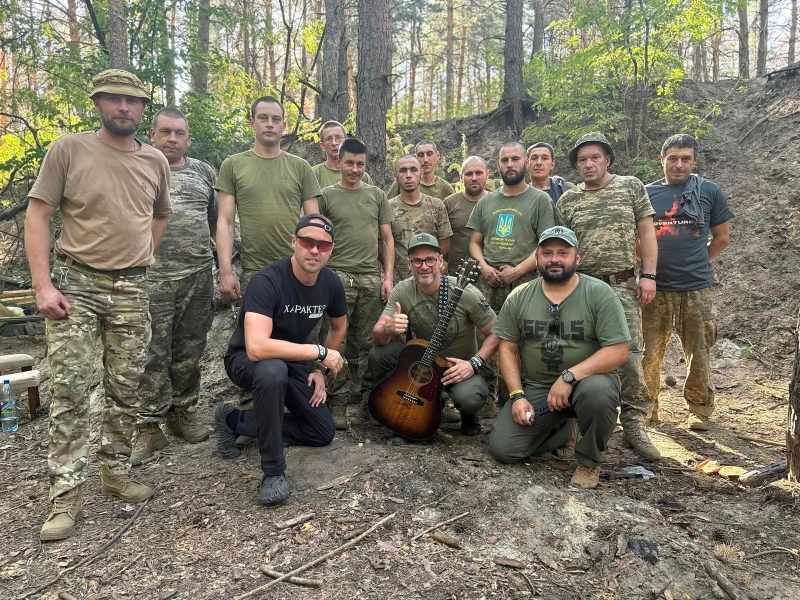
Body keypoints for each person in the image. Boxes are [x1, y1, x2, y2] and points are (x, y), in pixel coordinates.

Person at [25, 69, 171, 541]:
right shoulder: (69, 149)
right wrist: (43, 286)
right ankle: (64, 499)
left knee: (127, 388)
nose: (123, 108)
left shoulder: (154, 161)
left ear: (143, 109)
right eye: (114, 100)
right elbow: (39, 214)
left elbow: (161, 214)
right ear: (98, 104)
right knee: (70, 391)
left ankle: (116, 472)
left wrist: (146, 253)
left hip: (132, 289)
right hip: (79, 286)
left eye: (132, 101)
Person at [215, 214, 347, 505]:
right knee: (272, 370)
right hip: (245, 361)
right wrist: (319, 353)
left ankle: (234, 420)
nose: (314, 250)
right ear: (294, 243)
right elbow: (257, 348)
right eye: (307, 242)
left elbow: (338, 327)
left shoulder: (331, 283)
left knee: (321, 432)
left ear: (331, 250)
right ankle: (273, 471)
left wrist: (321, 371)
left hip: (293, 361)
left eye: (323, 246)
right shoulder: (267, 280)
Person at [488, 227, 630, 489]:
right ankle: (563, 430)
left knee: (598, 393)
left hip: (586, 384)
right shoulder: (519, 296)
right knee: (503, 450)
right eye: (547, 253)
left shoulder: (599, 294)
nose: (554, 259)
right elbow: (506, 348)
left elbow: (618, 351)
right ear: (537, 257)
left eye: (563, 253)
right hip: (538, 388)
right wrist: (517, 395)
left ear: (577, 258)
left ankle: (589, 461)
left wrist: (569, 377)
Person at [556, 132, 661, 461]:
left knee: (628, 353)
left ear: (607, 160)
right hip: (582, 287)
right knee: (582, 351)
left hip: (622, 285)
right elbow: (563, 250)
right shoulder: (567, 202)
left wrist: (649, 275)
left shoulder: (631, 186)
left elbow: (646, 233)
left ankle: (633, 423)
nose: (588, 164)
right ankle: (582, 419)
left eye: (594, 158)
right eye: (582, 160)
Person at [130, 107, 217, 465]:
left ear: (188, 139)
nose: (172, 139)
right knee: (152, 351)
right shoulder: (138, 168)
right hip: (152, 276)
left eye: (179, 133)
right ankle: (148, 426)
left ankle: (181, 413)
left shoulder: (203, 172)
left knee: (191, 348)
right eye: (165, 132)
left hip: (198, 274)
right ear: (152, 134)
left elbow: (216, 219)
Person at [369, 233, 499, 438]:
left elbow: (496, 333)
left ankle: (467, 414)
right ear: (409, 264)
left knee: (471, 397)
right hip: (420, 363)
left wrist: (473, 364)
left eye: (430, 259)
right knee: (379, 353)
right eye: (417, 261)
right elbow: (377, 336)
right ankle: (393, 398)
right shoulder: (402, 290)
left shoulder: (467, 292)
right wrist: (388, 329)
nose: (424, 266)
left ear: (440, 261)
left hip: (453, 368)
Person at [643, 134, 733, 431]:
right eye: (673, 158)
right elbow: (638, 240)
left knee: (699, 349)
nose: (678, 164)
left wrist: (697, 261)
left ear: (695, 161)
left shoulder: (709, 191)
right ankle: (646, 409)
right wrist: (649, 271)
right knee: (649, 352)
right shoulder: (646, 193)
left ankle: (699, 409)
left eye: (685, 158)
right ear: (662, 159)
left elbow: (722, 238)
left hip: (696, 287)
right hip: (654, 287)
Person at [467, 142, 556, 405]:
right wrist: (484, 266)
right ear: (498, 166)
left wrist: (517, 270)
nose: (510, 164)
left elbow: (545, 245)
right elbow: (474, 242)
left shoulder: (540, 200)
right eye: (504, 160)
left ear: (525, 163)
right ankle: (484, 402)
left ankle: (514, 399)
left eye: (515, 159)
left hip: (525, 282)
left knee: (523, 341)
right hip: (488, 282)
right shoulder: (487, 201)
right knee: (487, 340)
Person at [318, 138, 394, 425]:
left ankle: (362, 399)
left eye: (360, 164)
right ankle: (334, 400)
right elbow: (317, 238)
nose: (354, 169)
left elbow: (386, 238)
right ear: (339, 162)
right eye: (349, 163)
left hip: (370, 277)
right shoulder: (325, 196)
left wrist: (387, 277)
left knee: (366, 342)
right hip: (337, 276)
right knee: (336, 338)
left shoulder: (376, 195)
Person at [215, 96, 321, 300]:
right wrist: (226, 273)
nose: (270, 124)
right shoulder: (233, 165)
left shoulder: (300, 167)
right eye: (263, 118)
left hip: (297, 268)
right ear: (252, 122)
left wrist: (312, 267)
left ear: (284, 125)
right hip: (255, 271)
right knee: (255, 332)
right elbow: (225, 222)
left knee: (300, 332)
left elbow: (314, 223)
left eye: (276, 119)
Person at [389, 155, 453, 282]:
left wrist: (430, 267)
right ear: (395, 176)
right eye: (403, 170)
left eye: (413, 170)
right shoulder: (387, 207)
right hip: (399, 281)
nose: (408, 175)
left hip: (431, 279)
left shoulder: (436, 205)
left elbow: (445, 244)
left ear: (421, 173)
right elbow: (383, 246)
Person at [443, 156, 489, 273]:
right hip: (456, 273)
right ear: (461, 177)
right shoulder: (449, 203)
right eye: (469, 174)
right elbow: (441, 239)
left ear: (487, 174)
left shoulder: (497, 202)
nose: (474, 178)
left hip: (490, 273)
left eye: (479, 173)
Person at [312, 120, 374, 188]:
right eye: (328, 139)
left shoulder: (361, 176)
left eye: (338, 137)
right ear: (322, 146)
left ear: (345, 141)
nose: (334, 143)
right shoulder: (314, 174)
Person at [386, 140, 455, 200]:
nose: (425, 160)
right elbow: (387, 207)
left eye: (429, 154)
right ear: (415, 158)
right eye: (421, 155)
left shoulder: (445, 189)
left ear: (437, 156)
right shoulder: (404, 182)